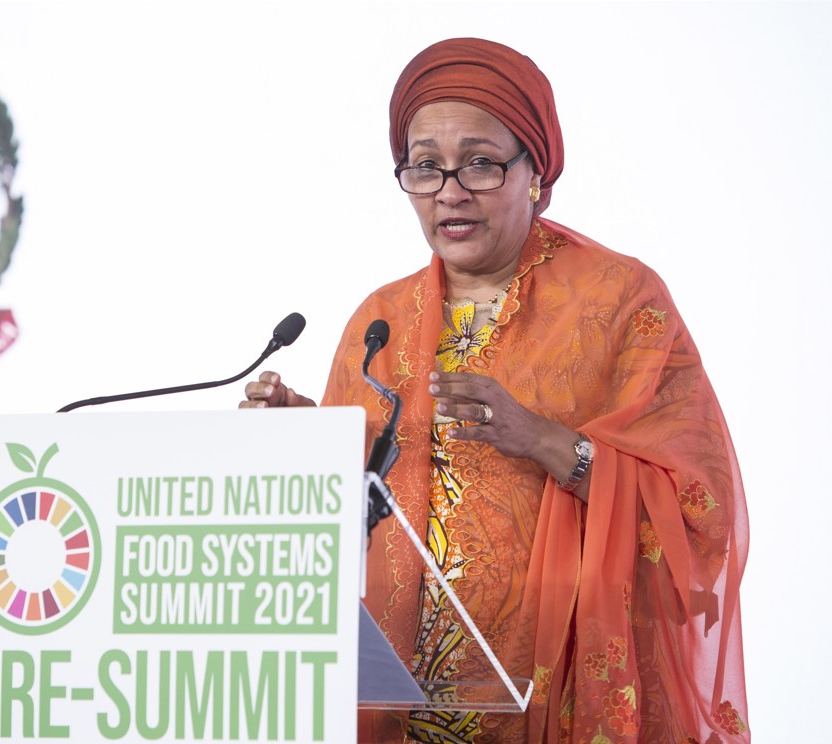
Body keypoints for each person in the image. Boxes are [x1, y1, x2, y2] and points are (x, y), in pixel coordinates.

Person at [240, 38, 748, 743]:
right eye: (426, 166)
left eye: (479, 162)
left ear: (536, 172)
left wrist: (542, 439)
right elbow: (349, 522)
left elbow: (701, 517)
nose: (450, 190)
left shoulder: (621, 302)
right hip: (393, 702)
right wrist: (306, 437)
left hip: (557, 704)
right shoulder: (380, 321)